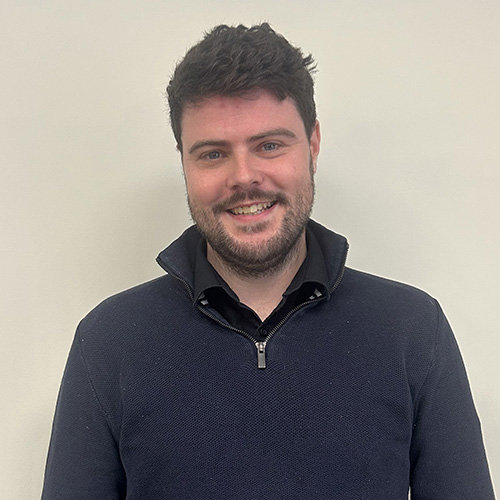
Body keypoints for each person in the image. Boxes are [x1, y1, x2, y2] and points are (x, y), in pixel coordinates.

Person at [42, 23, 495, 499]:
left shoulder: (413, 331)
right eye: (213, 154)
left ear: (313, 145)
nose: (244, 177)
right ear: (184, 163)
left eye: (269, 146)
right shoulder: (108, 342)